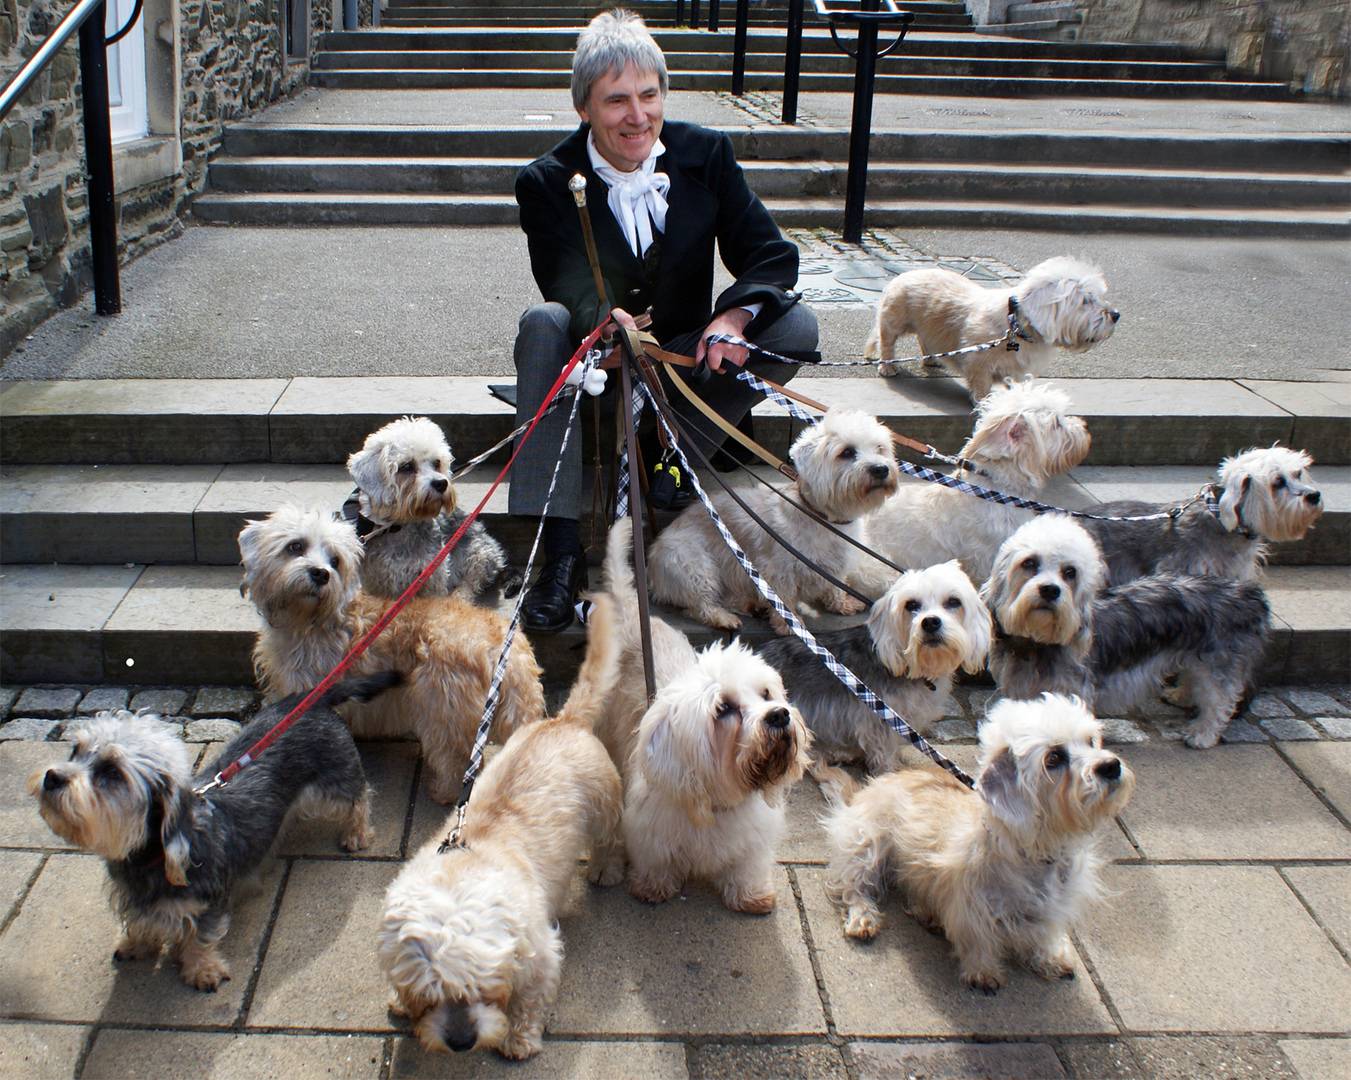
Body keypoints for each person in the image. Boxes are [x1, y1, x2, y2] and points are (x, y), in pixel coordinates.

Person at [511, 8, 819, 634]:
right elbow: (564, 279)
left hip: (683, 361)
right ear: (585, 110)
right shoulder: (546, 182)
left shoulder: (706, 154)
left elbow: (771, 253)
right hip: (591, 367)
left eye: (649, 95)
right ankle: (559, 552)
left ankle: (673, 459)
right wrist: (608, 325)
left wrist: (730, 318)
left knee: (796, 327)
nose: (638, 115)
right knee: (540, 321)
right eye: (616, 100)